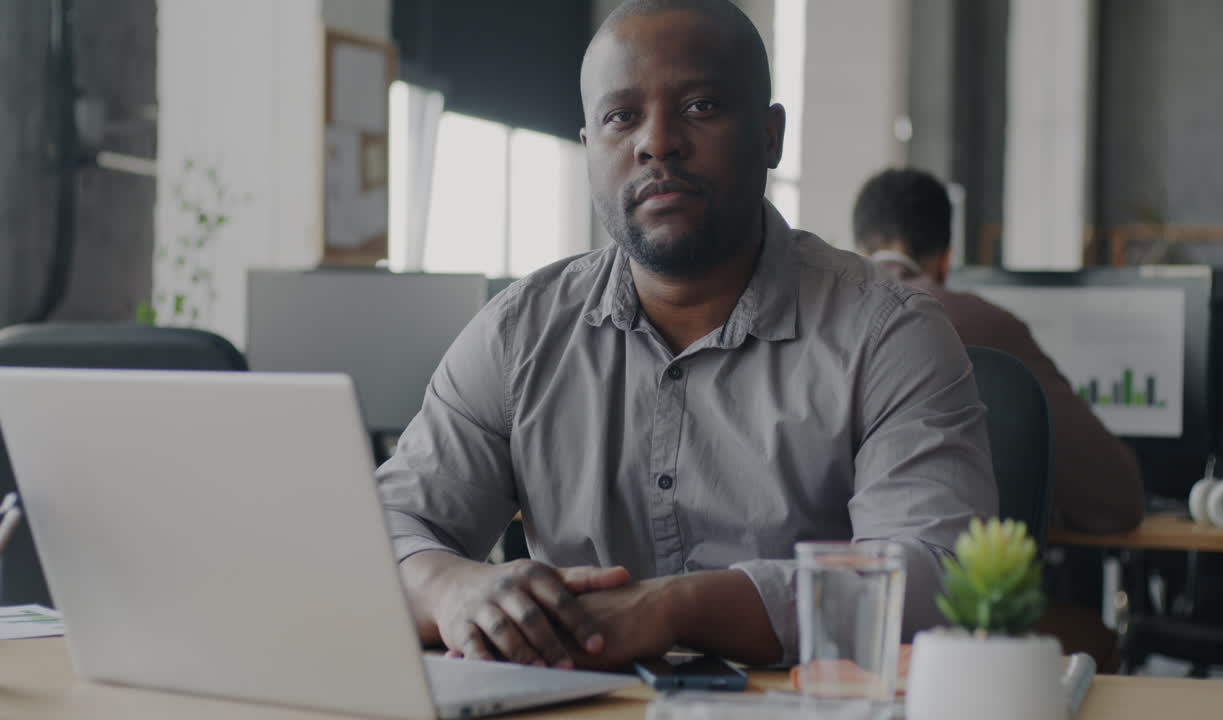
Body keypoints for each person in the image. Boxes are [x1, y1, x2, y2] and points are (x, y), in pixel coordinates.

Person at [378, 0, 995, 672]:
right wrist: (451, 586)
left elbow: (935, 581)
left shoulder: (889, 333)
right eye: (621, 116)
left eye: (700, 107)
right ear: (590, 151)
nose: (657, 143)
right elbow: (378, 530)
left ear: (769, 135)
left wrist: (672, 609)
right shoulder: (518, 334)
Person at [853, 167, 1144, 533]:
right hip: (960, 583)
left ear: (858, 250)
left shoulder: (823, 321)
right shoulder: (986, 324)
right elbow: (1116, 497)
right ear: (946, 259)